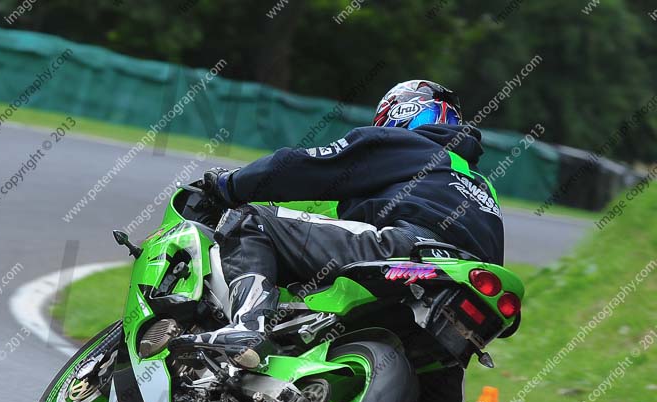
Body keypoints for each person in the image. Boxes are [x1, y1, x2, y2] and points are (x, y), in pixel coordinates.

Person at [170, 80, 504, 375]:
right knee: (439, 380)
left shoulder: (412, 145)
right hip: (453, 286)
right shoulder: (482, 186)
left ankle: (248, 325)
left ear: (402, 113)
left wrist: (230, 186)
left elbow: (306, 167)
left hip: (405, 251)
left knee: (252, 220)